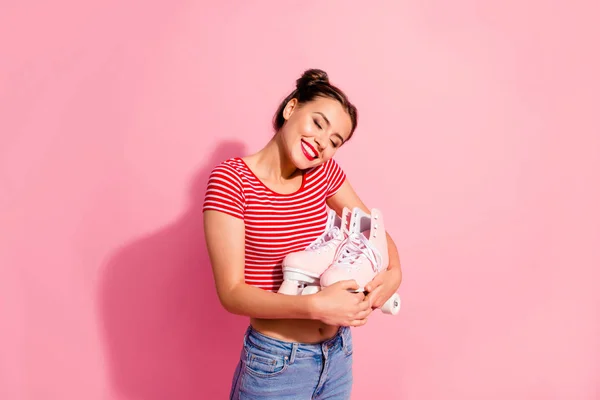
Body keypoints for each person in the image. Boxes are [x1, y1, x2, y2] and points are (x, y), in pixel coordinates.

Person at [202, 68, 402, 399]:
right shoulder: (232, 181)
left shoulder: (323, 174)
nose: (322, 142)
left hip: (337, 355)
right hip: (277, 364)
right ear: (291, 108)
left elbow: (372, 229)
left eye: (334, 141)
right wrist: (317, 307)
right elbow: (231, 293)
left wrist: (394, 273)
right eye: (318, 123)